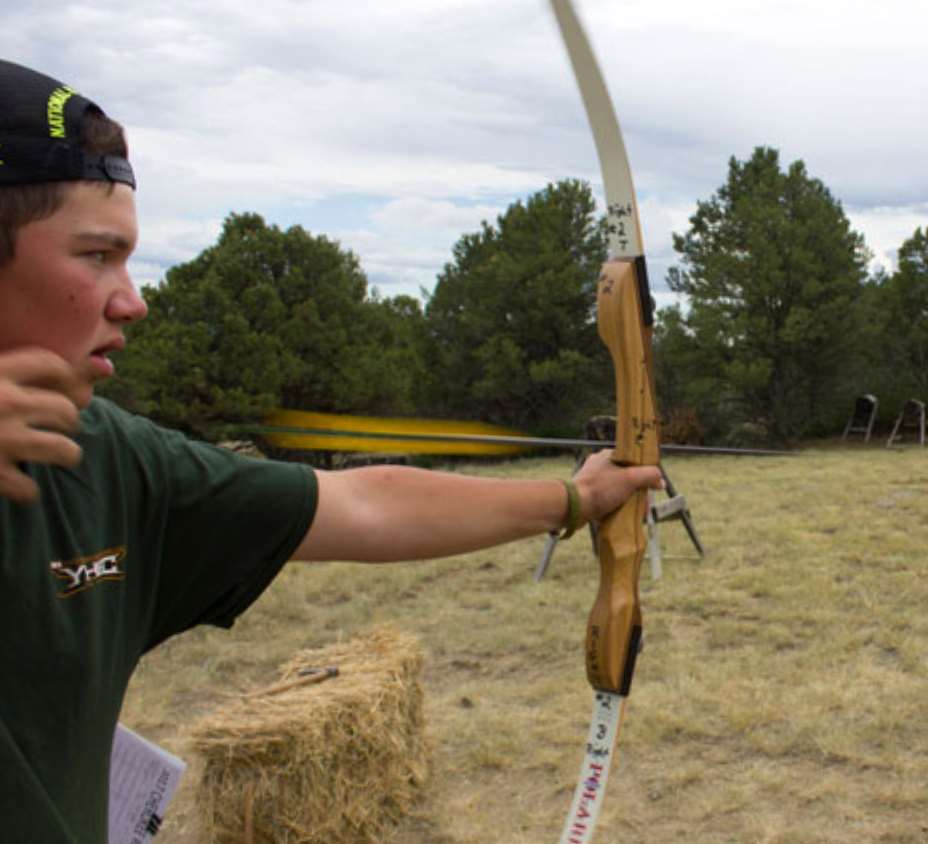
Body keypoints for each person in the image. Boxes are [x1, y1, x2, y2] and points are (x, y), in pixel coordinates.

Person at [0, 58, 662, 842]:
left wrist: (574, 499)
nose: (134, 300)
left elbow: (358, 504)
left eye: (129, 258)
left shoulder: (107, 460)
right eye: (96, 255)